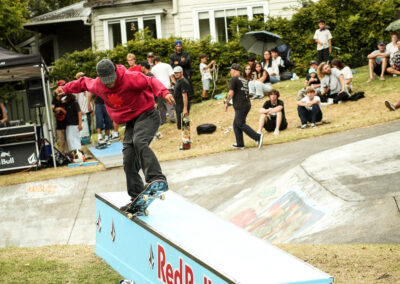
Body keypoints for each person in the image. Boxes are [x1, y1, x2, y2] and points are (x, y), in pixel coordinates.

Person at [56, 59, 175, 207]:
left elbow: (151, 81)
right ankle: (137, 196)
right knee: (128, 159)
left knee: (139, 141)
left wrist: (164, 92)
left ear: (115, 73)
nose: (110, 84)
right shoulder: (98, 84)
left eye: (112, 80)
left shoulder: (130, 78)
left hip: (147, 115)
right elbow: (82, 83)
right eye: (106, 81)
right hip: (131, 122)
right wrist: (66, 88)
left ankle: (157, 179)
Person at [225, 63, 263, 150]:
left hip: (241, 105)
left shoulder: (234, 79)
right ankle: (240, 143)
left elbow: (231, 93)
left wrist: (226, 103)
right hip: (245, 104)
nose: (230, 72)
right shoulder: (242, 79)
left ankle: (257, 137)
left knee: (240, 123)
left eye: (231, 70)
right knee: (235, 124)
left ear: (234, 70)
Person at [152, 56, 176, 124]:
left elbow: (153, 80)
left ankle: (163, 121)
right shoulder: (167, 65)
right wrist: (174, 85)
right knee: (170, 103)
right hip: (167, 87)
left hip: (158, 88)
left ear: (155, 62)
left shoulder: (153, 69)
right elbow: (172, 77)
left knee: (161, 106)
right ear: (160, 60)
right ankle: (172, 118)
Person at [51, 80, 68, 154]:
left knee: (67, 140)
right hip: (59, 122)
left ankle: (68, 155)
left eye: (64, 85)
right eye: (61, 86)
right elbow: (53, 108)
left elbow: (69, 112)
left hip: (67, 122)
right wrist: (56, 111)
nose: (62, 87)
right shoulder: (55, 98)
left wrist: (61, 109)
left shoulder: (67, 96)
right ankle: (61, 155)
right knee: (60, 140)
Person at [173, 66, 190, 130]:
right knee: (179, 125)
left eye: (177, 73)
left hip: (183, 105)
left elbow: (185, 96)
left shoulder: (183, 82)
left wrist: (185, 108)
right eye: (175, 73)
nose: (176, 74)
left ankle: (186, 136)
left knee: (185, 124)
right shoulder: (178, 80)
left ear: (181, 73)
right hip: (178, 104)